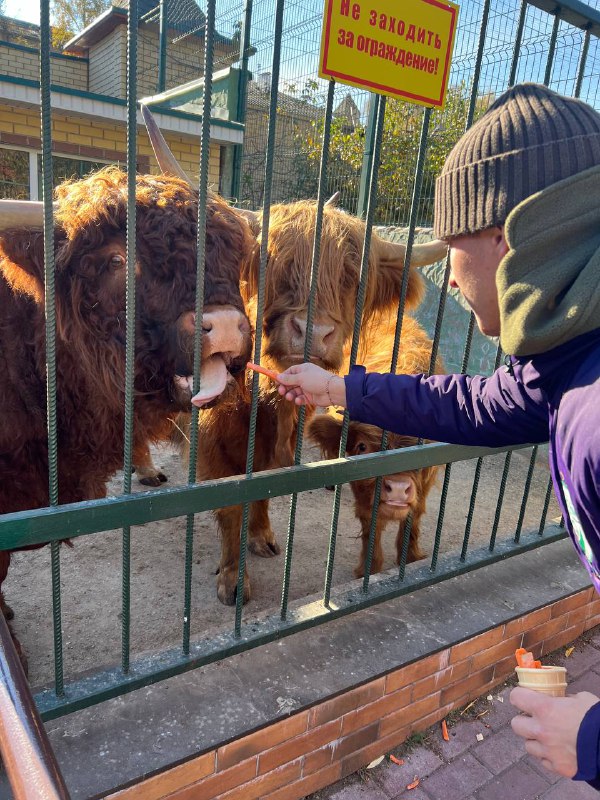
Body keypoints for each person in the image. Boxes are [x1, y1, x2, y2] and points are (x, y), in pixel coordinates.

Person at [275, 83, 600, 788]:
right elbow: (483, 404)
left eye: (452, 241)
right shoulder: (572, 356)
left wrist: (599, 741)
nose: (448, 273)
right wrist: (344, 389)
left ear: (509, 237)